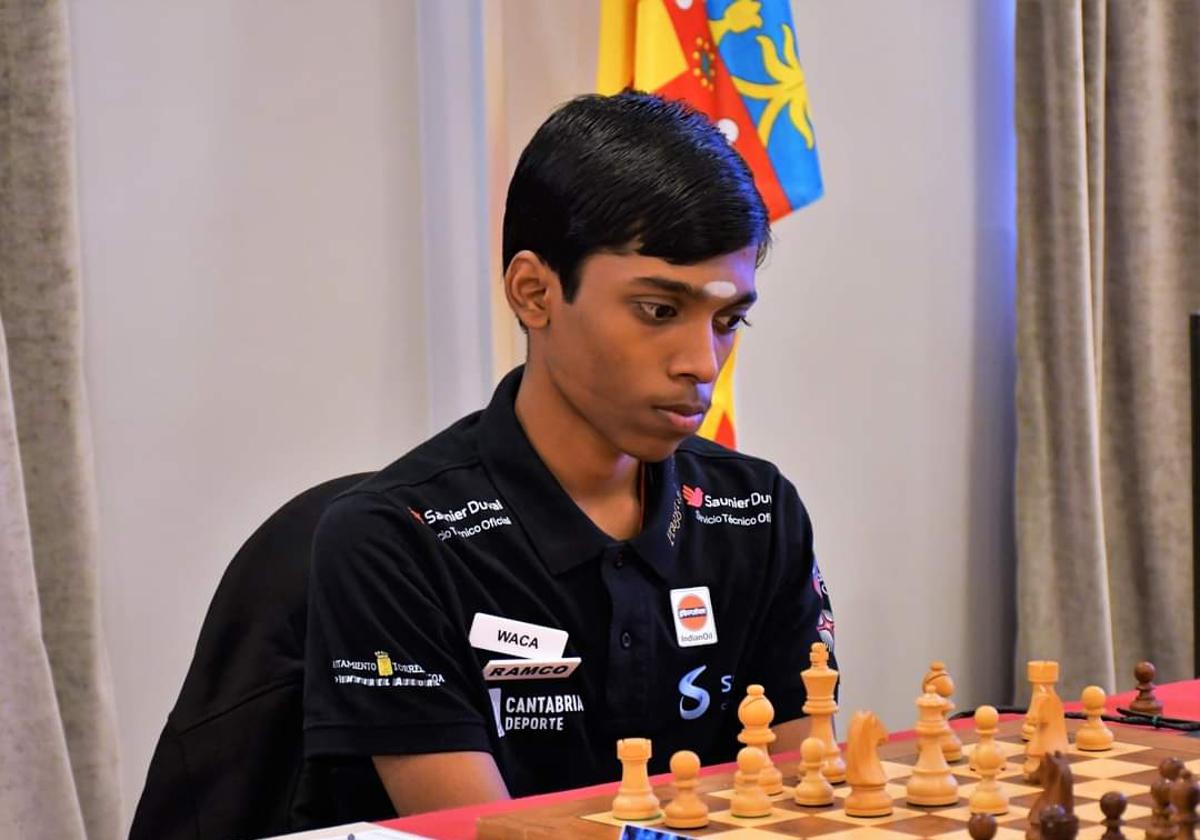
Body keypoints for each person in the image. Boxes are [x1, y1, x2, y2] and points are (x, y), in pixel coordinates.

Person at [302, 90, 837, 819]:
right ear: (534, 293)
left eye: (727, 320)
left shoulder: (758, 511)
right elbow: (485, 838)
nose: (702, 363)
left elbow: (810, 802)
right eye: (659, 311)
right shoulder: (393, 541)